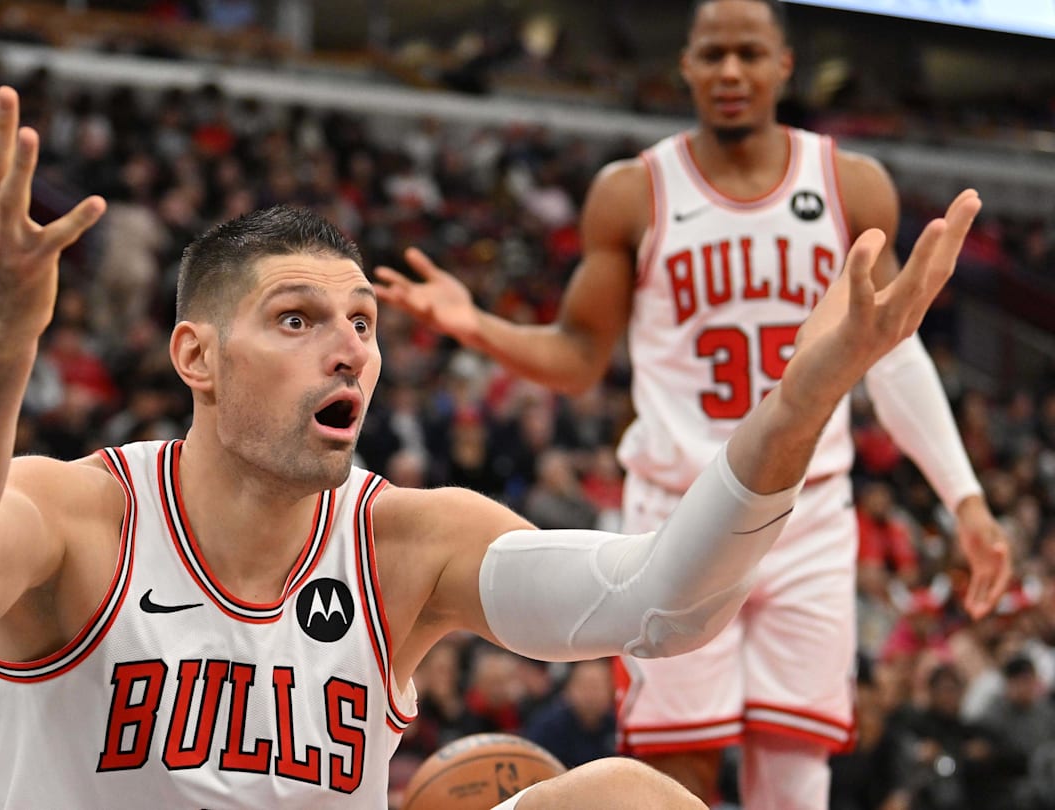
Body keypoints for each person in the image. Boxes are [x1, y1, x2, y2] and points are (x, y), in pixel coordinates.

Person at [0, 70, 979, 810]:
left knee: (623, 794)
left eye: (362, 320)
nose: (350, 346)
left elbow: (662, 604)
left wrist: (810, 385)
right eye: (296, 320)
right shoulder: (84, 513)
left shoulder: (409, 541)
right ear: (197, 357)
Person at [372, 1, 1012, 805]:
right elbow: (577, 357)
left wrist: (967, 498)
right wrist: (480, 326)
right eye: (713, 55)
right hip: (675, 511)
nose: (731, 73)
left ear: (784, 64)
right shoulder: (632, 193)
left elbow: (887, 348)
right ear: (687, 67)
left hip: (807, 508)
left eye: (749, 53)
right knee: (677, 765)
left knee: (797, 763)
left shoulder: (852, 186)